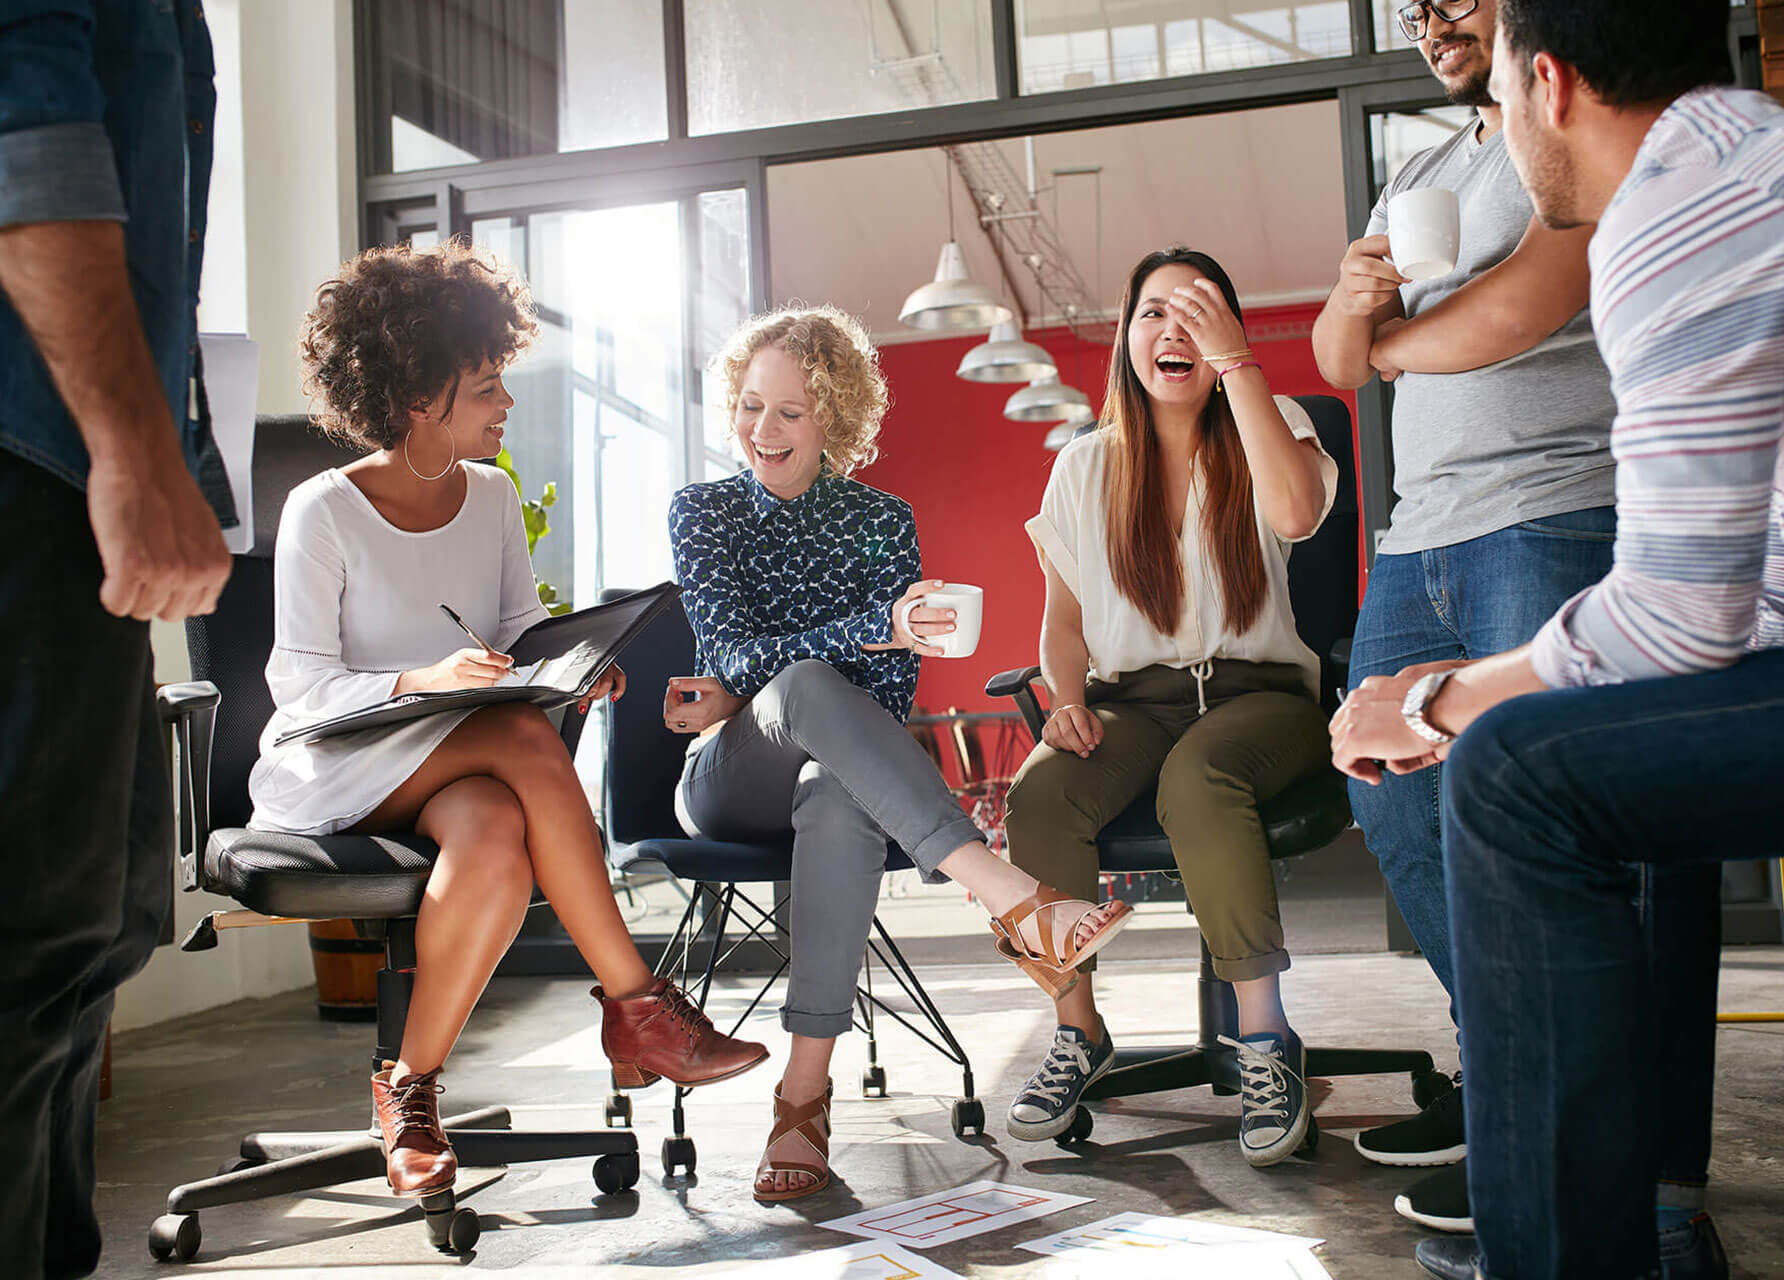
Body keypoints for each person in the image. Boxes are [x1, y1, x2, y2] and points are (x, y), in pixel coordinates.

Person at [1330, 0, 1784, 1274]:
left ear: (1547, 84)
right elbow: (1781, 572)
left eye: (1501, 92)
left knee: (1517, 773)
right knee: (1548, 740)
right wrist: (1492, 686)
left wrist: (1440, 703)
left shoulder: (1677, 210)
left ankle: (1587, 1244)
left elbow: (1672, 617)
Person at [1309, 0, 1725, 1239]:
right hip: (1420, 534)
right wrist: (1356, 304)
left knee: (1592, 835)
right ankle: (1524, 1092)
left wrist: (1391, 345)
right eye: (1410, 7)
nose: (1429, 20)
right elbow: (1336, 359)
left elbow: (1525, 307)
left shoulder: (1570, 128)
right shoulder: (1420, 171)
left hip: (1558, 506)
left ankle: (1644, 1186)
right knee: (1396, 805)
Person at [251, 242, 767, 1203]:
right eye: (486, 387)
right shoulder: (323, 510)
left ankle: (409, 1092)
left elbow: (520, 632)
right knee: (523, 742)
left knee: (494, 834)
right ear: (418, 396)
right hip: (334, 764)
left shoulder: (490, 493)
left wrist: (574, 667)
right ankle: (638, 1004)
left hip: (455, 769)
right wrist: (421, 679)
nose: (507, 403)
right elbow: (300, 687)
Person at [666, 304, 1134, 1203]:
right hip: (728, 775)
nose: (764, 430)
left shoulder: (882, 520)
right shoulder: (704, 511)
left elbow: (886, 702)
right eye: (751, 406)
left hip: (833, 776)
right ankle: (1007, 893)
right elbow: (732, 658)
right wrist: (868, 631)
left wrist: (836, 657)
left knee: (838, 795)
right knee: (805, 683)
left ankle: (802, 1099)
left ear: (833, 420)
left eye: (791, 412)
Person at [1002, 247, 1340, 1167]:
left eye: (1196, 312)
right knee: (1037, 797)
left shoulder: (1277, 425)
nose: (1171, 329)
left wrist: (1240, 369)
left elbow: (1298, 514)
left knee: (1200, 777)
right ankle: (1078, 1030)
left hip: (1259, 698)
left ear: (1226, 329)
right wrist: (1067, 701)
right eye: (1153, 312)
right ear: (1126, 338)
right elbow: (1063, 620)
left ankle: (1266, 1038)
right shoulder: (1082, 468)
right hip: (1133, 704)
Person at [0, 6, 232, 1277]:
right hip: (32, 465)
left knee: (95, 933)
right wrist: (130, 449)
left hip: (65, 481)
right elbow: (22, 131)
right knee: (32, 937)